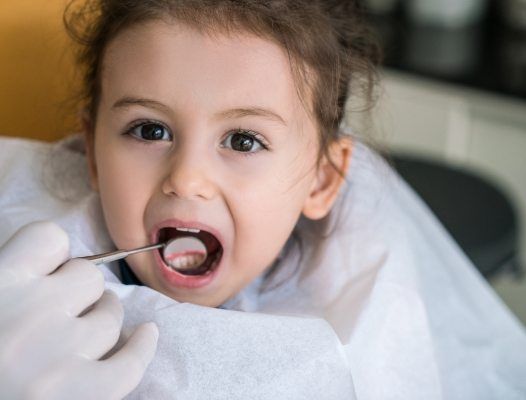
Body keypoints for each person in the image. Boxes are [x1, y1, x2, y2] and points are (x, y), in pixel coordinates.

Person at [1, 0, 525, 399]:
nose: (187, 180)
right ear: (92, 152)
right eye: (149, 129)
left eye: (243, 140)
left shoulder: (363, 316)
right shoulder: (18, 265)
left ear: (321, 181)